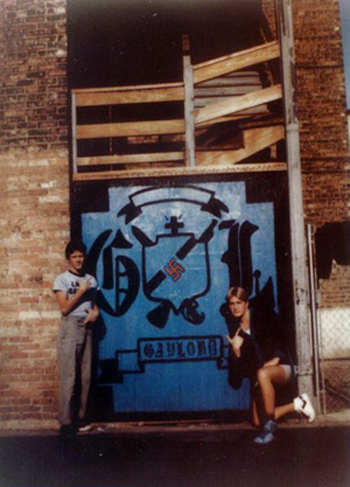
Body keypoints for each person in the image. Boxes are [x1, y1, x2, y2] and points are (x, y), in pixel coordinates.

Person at [225, 286, 315, 444]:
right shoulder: (236, 334)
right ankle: (299, 404)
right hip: (261, 377)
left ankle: (268, 430)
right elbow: (236, 379)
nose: (235, 307)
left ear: (246, 303)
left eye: (239, 302)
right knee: (256, 421)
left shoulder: (262, 317)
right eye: (232, 303)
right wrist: (236, 352)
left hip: (283, 368)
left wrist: (278, 357)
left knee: (263, 373)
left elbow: (283, 334)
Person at [53, 239, 99, 439]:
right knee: (69, 375)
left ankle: (80, 418)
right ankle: (65, 422)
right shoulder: (61, 280)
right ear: (68, 259)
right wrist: (80, 290)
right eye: (75, 257)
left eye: (81, 256)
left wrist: (95, 314)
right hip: (70, 327)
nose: (79, 260)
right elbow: (64, 308)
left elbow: (94, 305)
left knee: (86, 376)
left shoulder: (91, 279)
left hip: (87, 327)